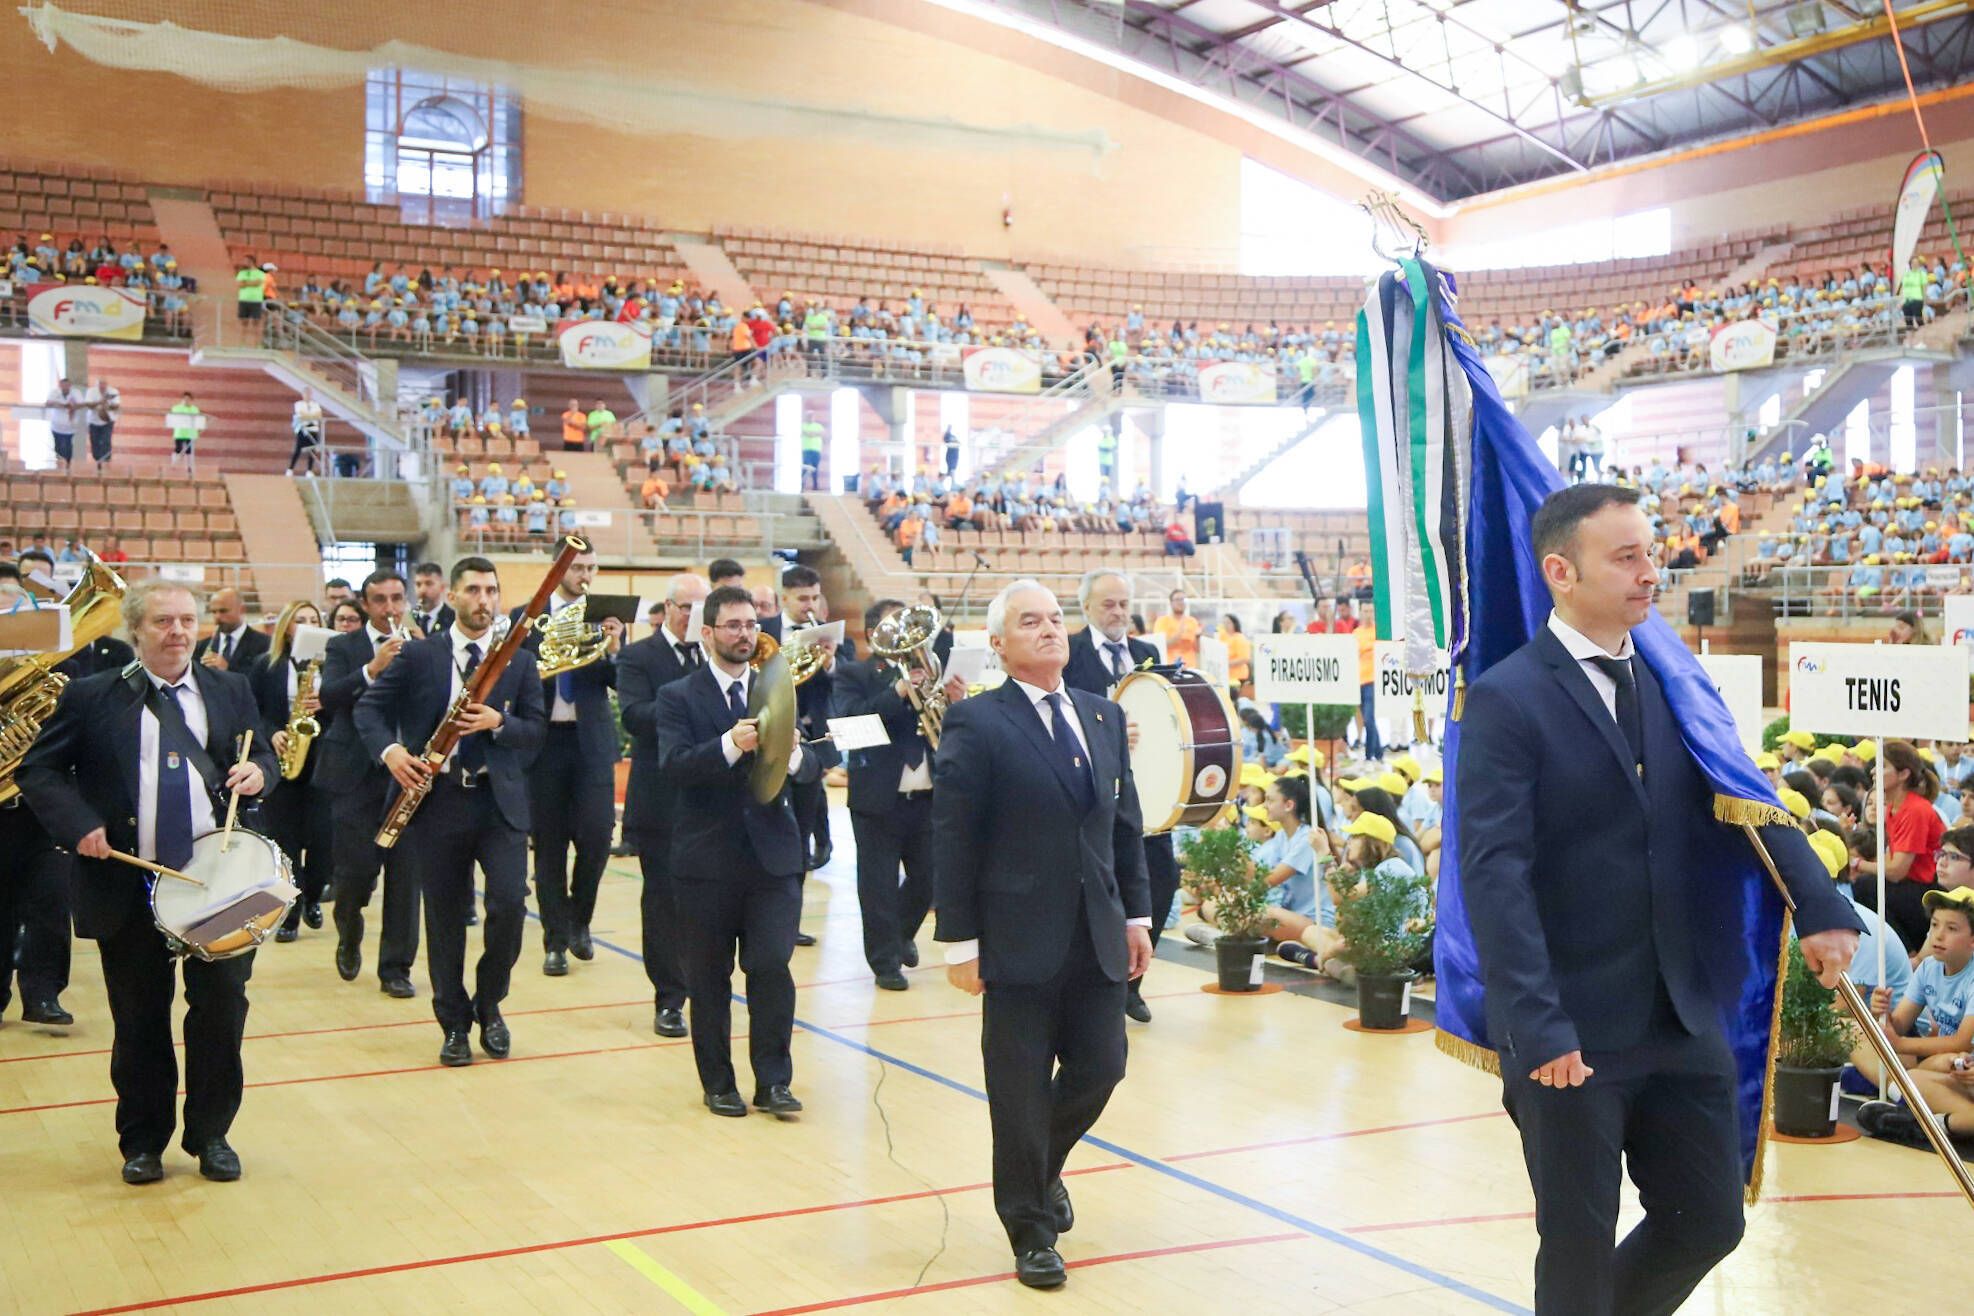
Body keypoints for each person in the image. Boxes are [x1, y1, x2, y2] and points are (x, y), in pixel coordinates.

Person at [1456, 483, 1859, 1314]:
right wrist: (1536, 1022)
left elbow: (1747, 794)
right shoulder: (1506, 698)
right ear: (1561, 571)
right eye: (1628, 556)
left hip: (1682, 1013)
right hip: (1570, 1026)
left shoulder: (1679, 684)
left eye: (1652, 550)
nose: (1653, 571)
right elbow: (1494, 872)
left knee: (1708, 1220)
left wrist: (1821, 904)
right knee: (1576, 1242)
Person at [19, 579, 279, 1185]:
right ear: (134, 629)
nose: (178, 632)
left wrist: (259, 773)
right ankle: (141, 1141)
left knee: (220, 1014)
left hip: (219, 887)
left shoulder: (230, 687)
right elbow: (40, 770)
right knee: (138, 1019)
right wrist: (80, 824)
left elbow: (263, 755)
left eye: (187, 620)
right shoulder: (91, 696)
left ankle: (212, 1134)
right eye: (163, 621)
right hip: (128, 883)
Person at [932, 579, 1151, 1290]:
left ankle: (1039, 1167)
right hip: (1015, 940)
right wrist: (959, 941)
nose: (1050, 630)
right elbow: (955, 835)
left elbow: (1124, 828)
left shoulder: (1101, 717)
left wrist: (1139, 917)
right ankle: (1029, 1227)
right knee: (1019, 1093)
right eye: (1031, 622)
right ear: (999, 645)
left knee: (1104, 1067)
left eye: (1056, 619)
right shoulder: (979, 723)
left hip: (1097, 935)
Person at [356, 558, 546, 1066]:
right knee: (443, 920)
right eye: (474, 590)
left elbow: (536, 733)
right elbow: (368, 710)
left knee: (508, 904)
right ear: (453, 596)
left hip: (498, 803)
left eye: (492, 590)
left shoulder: (519, 661)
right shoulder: (421, 655)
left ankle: (491, 1002)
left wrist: (498, 721)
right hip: (438, 803)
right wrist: (392, 753)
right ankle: (454, 1023)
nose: (484, 600)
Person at [653, 584, 823, 1117]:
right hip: (705, 862)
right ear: (707, 633)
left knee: (772, 966)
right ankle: (718, 1082)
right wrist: (732, 744)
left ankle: (774, 1080)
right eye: (733, 625)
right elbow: (675, 766)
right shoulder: (677, 696)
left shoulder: (779, 688)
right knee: (708, 979)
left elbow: (816, 768)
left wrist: (794, 759)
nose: (745, 634)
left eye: (751, 625)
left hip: (773, 858)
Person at [1064, 568, 1177, 1024]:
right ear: (1087, 607)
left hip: (1147, 790)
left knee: (1163, 878)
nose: (1118, 613)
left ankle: (1134, 981)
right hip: (1088, 789)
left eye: (1124, 604)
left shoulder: (1147, 652)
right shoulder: (1068, 653)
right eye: (1109, 604)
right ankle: (1099, 983)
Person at [832, 598, 963, 990]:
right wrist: (899, 692)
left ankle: (901, 933)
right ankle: (885, 962)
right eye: (896, 630)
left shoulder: (933, 669)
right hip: (877, 797)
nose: (907, 639)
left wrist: (956, 702)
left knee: (930, 878)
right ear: (875, 636)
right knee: (878, 886)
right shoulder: (855, 673)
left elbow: (952, 727)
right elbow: (850, 722)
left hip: (929, 795)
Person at [515, 547, 623, 974]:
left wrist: (613, 650)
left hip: (590, 741)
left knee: (597, 838)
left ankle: (581, 920)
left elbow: (616, 681)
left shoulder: (604, 615)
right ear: (559, 570)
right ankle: (555, 940)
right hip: (542, 742)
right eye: (577, 567)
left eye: (592, 567)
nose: (585, 574)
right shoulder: (529, 614)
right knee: (549, 845)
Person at [316, 570, 422, 995]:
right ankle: (349, 926)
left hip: (407, 773)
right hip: (354, 773)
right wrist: (372, 669)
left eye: (397, 598)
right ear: (365, 604)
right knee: (356, 872)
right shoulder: (343, 646)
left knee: (405, 875)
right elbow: (329, 697)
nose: (390, 608)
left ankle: (396, 969)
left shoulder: (424, 646)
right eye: (380, 600)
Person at [617, 572, 710, 1037]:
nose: (693, 616)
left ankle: (708, 990)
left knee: (708, 900)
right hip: (659, 799)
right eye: (686, 607)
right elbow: (634, 716)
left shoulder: (718, 656)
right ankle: (669, 998)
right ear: (668, 610)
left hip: (712, 796)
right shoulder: (639, 656)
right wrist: (691, 700)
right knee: (662, 902)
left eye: (701, 608)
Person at [249, 600, 333, 942]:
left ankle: (314, 894)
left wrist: (328, 701)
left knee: (323, 841)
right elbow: (250, 708)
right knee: (285, 842)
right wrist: (272, 732)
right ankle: (291, 912)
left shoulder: (335, 665)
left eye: (314, 620)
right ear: (287, 627)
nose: (309, 625)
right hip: (283, 759)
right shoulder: (265, 665)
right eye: (301, 620)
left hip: (324, 759)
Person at [1853, 739, 1945, 952]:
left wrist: (1857, 864)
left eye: (1883, 766)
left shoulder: (1915, 809)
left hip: (1928, 890)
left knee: (1865, 887)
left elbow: (1896, 871)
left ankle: (1907, 952)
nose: (1874, 771)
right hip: (1909, 887)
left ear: (1904, 774)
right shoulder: (1892, 807)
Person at [193, 589, 268, 672]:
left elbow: (262, 679)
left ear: (242, 610)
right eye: (214, 612)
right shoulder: (201, 647)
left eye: (223, 611)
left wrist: (228, 669)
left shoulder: (264, 644)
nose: (217, 616)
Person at [1152, 588, 1200, 668]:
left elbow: (1197, 649)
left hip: (1190, 667)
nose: (1181, 602)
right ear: (1171, 603)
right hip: (1169, 667)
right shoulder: (1162, 621)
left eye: (1183, 600)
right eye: (1178, 599)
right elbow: (1161, 645)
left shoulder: (1193, 621)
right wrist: (1180, 632)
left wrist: (1198, 638)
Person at [84, 377, 119, 473]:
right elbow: (88, 404)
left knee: (106, 441)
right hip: (93, 421)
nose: (102, 386)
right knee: (94, 442)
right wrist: (99, 402)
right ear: (97, 384)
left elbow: (116, 405)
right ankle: (98, 460)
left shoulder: (113, 391)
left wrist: (107, 404)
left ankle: (106, 462)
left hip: (107, 421)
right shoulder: (91, 391)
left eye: (104, 384)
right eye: (101, 384)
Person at [409, 561, 454, 636]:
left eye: (429, 584)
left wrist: (423, 642)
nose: (422, 590)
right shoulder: (408, 618)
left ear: (442, 587)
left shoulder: (453, 620)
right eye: (418, 584)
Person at [45, 376, 81, 471]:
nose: (65, 387)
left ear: (70, 385)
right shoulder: (54, 392)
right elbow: (48, 403)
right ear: (60, 385)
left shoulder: (76, 393)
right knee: (58, 446)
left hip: (70, 426)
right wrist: (62, 405)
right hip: (57, 426)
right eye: (63, 385)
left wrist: (73, 405)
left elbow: (81, 404)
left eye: (67, 385)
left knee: (68, 446)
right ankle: (59, 465)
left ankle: (68, 465)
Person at [290, 390, 325, 476]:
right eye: (306, 394)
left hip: (313, 429)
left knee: (312, 450)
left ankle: (309, 470)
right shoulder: (298, 404)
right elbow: (301, 415)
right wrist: (312, 416)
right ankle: (290, 469)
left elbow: (319, 416)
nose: (307, 395)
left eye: (309, 394)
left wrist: (308, 416)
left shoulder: (315, 405)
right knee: (298, 449)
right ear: (303, 395)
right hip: (303, 429)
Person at [168, 393, 202, 465]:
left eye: (188, 399)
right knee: (178, 449)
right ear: (182, 399)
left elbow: (198, 420)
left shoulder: (195, 409)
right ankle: (174, 464)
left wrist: (199, 430)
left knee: (189, 451)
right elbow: (172, 418)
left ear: (191, 400)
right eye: (185, 399)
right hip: (180, 432)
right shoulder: (176, 408)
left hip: (190, 433)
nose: (186, 400)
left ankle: (188, 467)